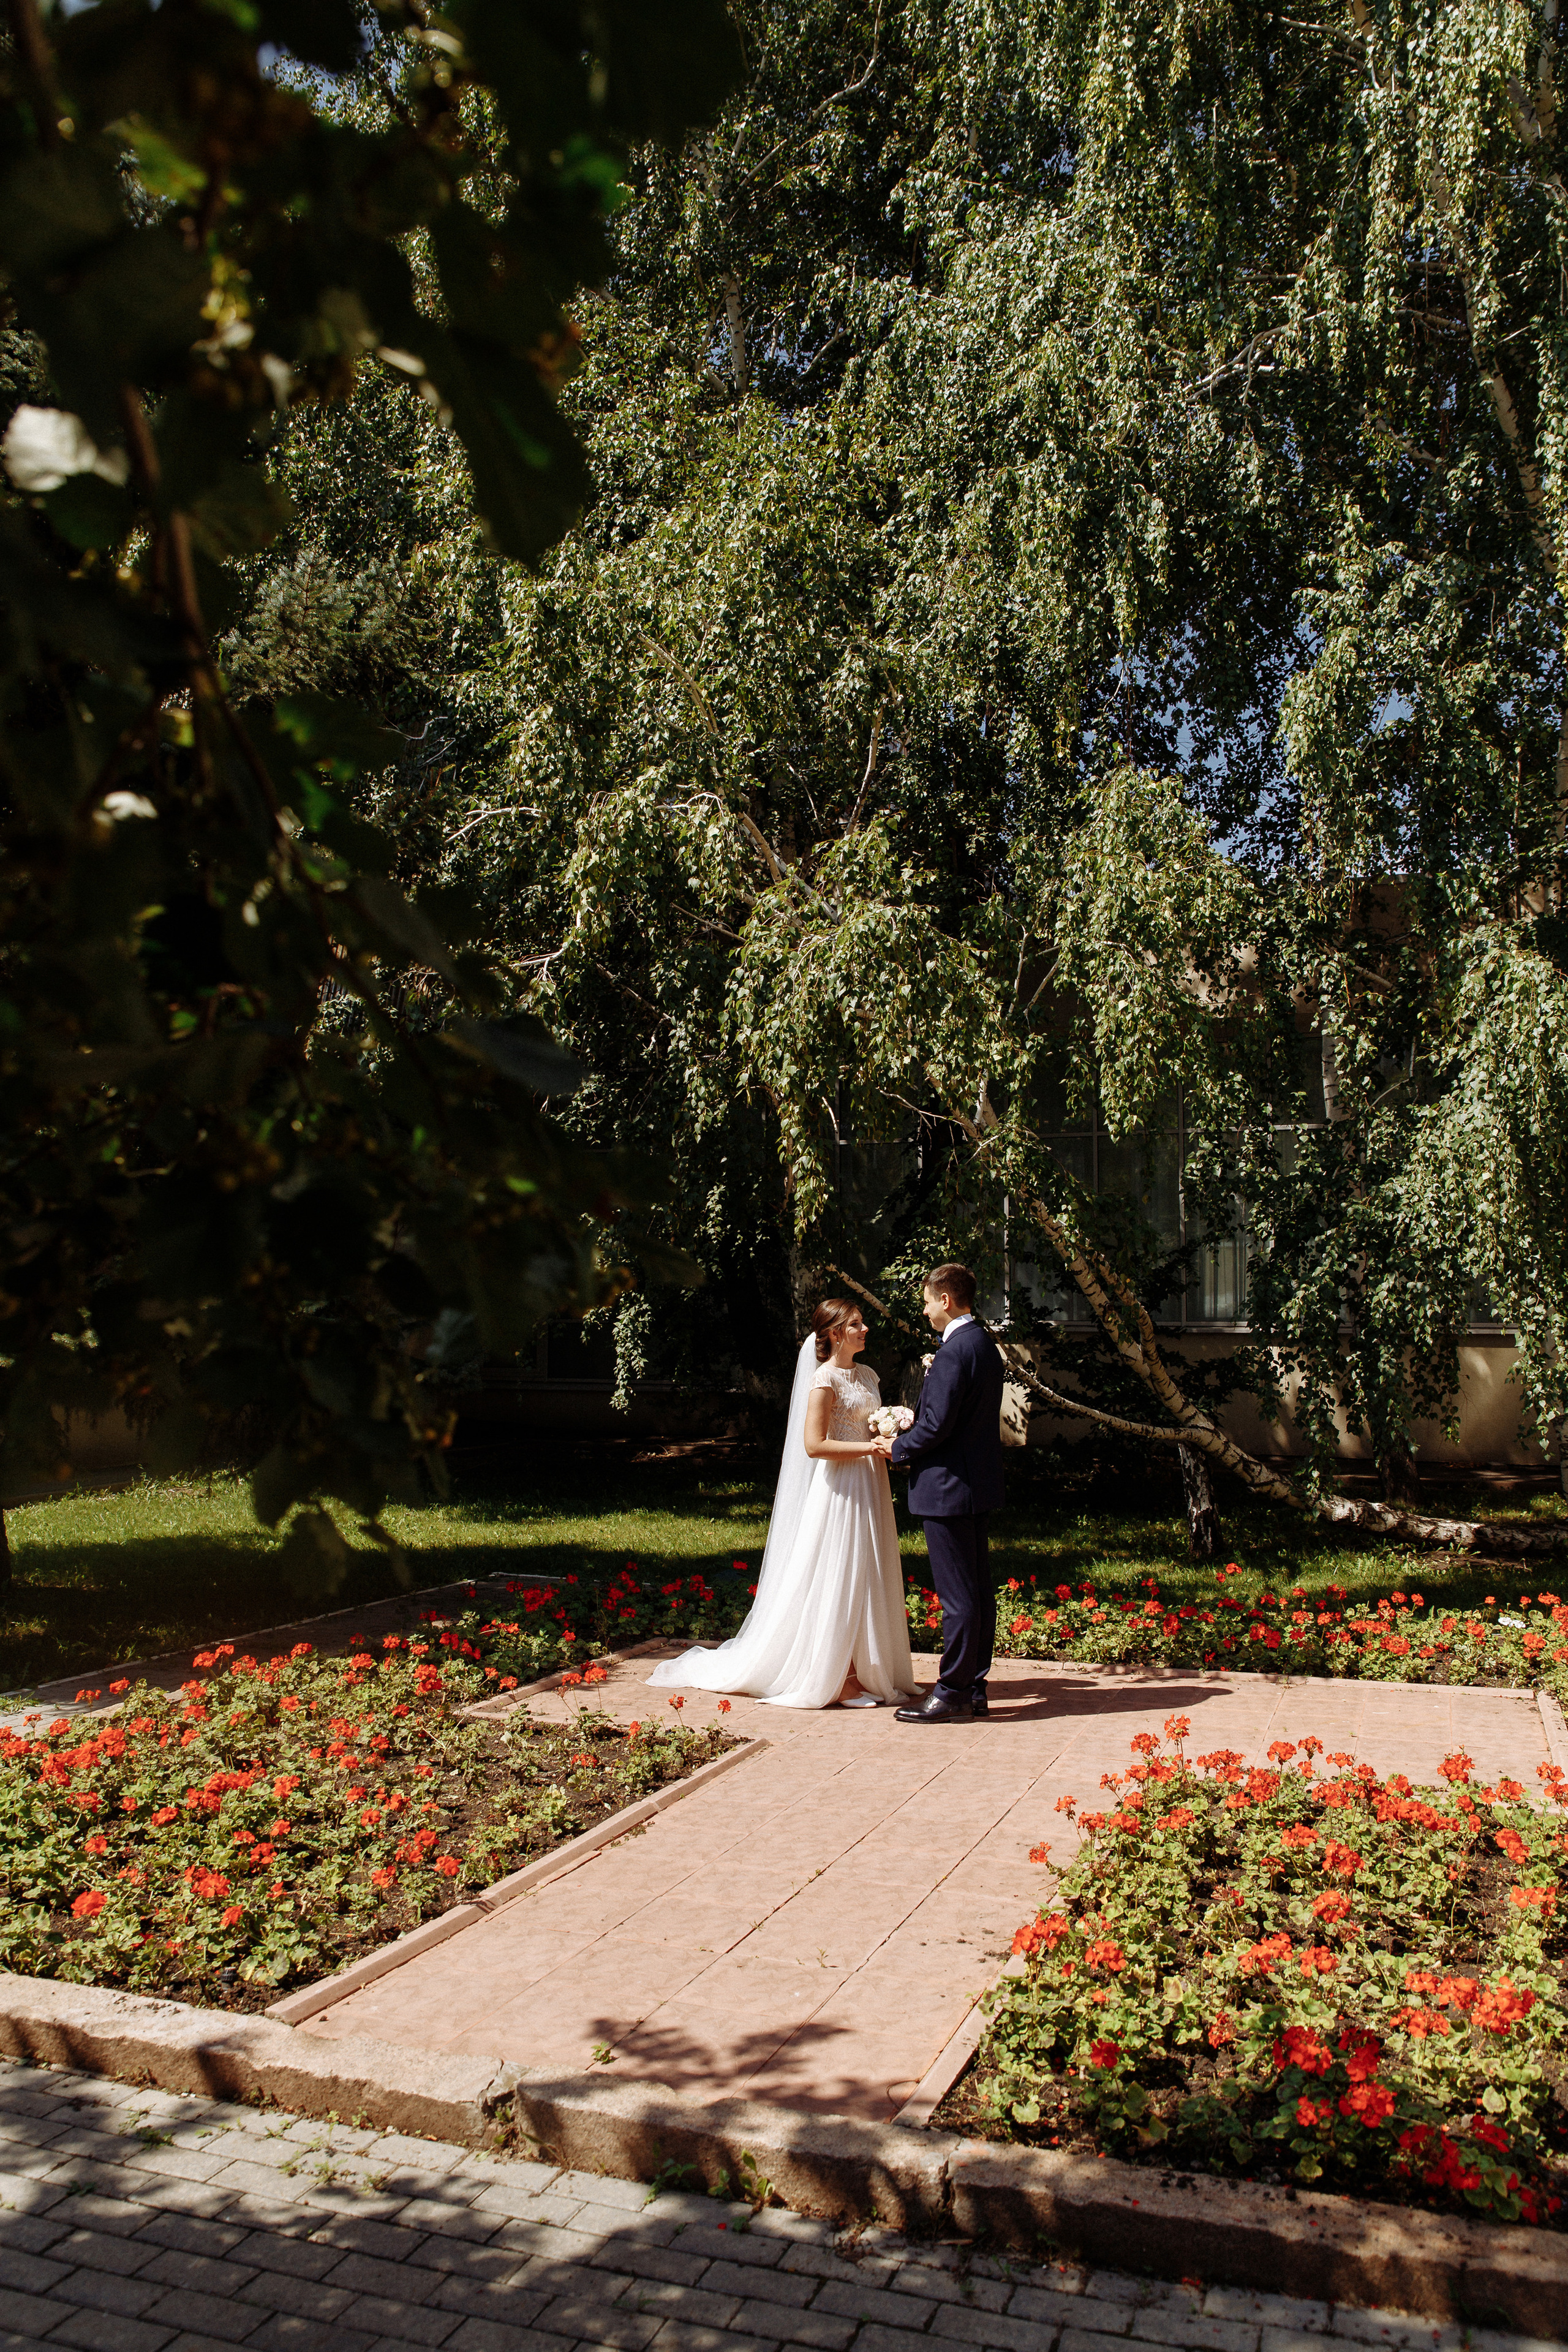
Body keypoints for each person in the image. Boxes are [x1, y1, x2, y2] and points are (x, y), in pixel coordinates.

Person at [646, 1298, 916, 1709]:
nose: (866, 1330)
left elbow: (867, 1419)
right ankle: (837, 1679)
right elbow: (814, 1445)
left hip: (870, 1483)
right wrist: (869, 1446)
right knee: (839, 1574)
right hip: (841, 1487)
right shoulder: (824, 1380)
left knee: (869, 1572)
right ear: (835, 1334)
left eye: (863, 1323)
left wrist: (889, 1426)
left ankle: (866, 1671)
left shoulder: (868, 1374)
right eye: (857, 1324)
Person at [881, 1262, 1005, 1724]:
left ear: (946, 1300)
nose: (926, 1308)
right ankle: (974, 1687)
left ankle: (952, 1690)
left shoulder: (955, 1351)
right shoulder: (983, 1344)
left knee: (959, 1597)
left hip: (950, 1488)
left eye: (928, 1300)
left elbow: (938, 1424)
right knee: (977, 1592)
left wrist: (897, 1447)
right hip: (975, 1484)